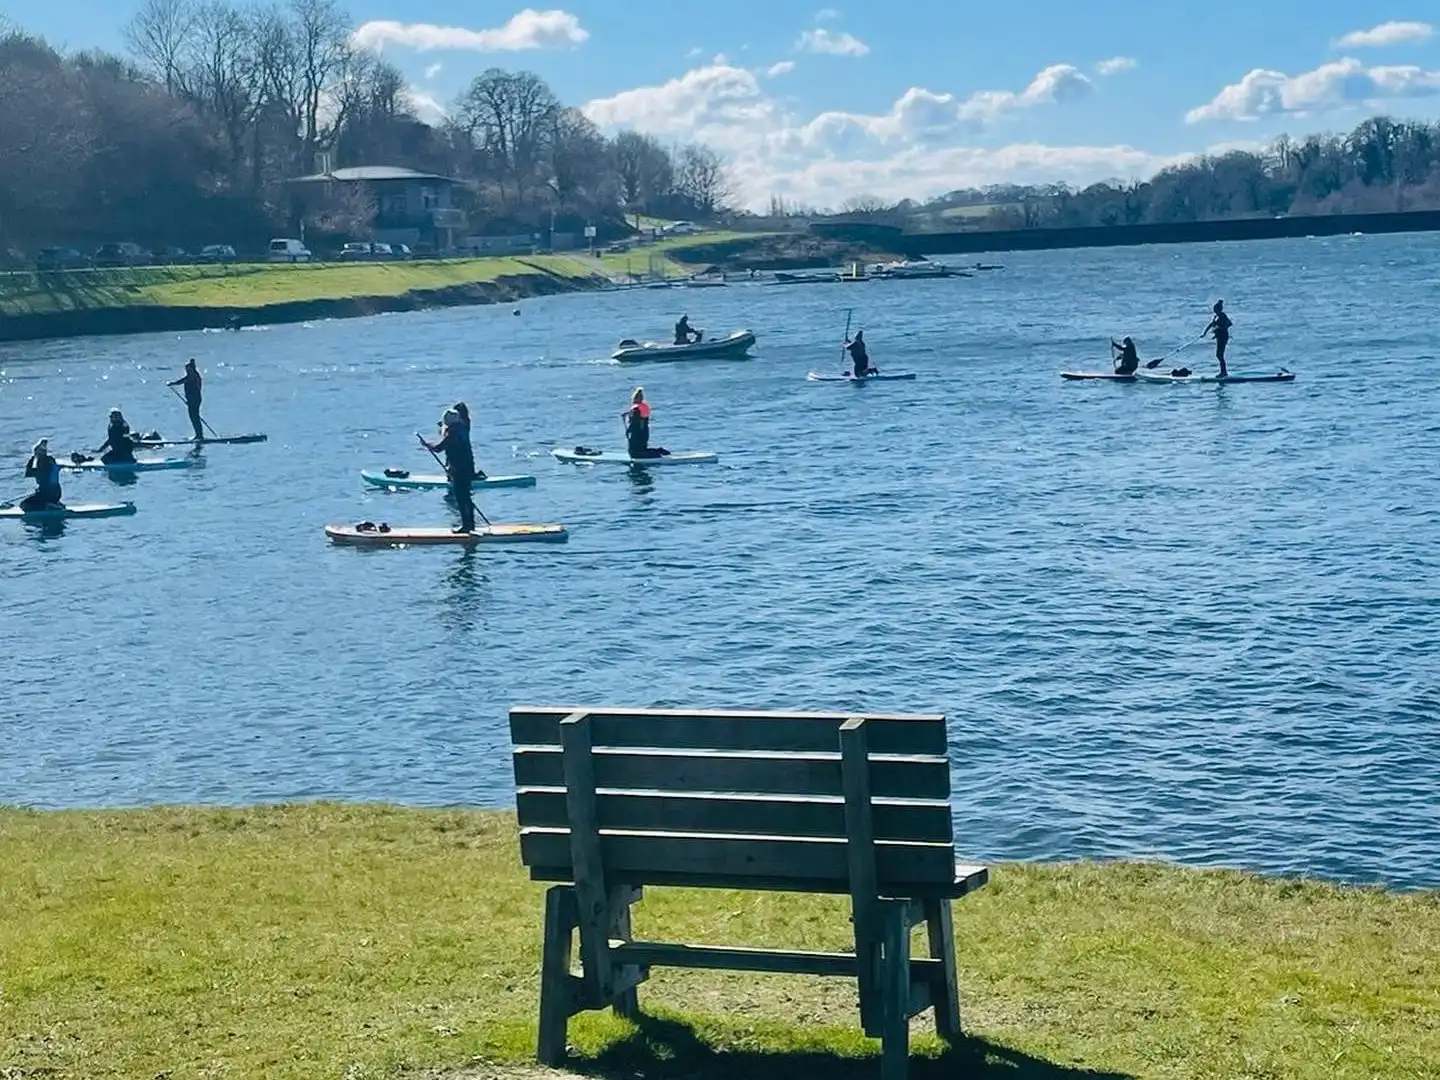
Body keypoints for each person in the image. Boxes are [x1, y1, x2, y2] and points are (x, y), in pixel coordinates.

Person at [420, 407, 477, 533]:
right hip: (467, 467)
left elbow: (439, 448)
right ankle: (470, 524)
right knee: (466, 497)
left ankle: (467, 526)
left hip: (459, 469)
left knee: (462, 498)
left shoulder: (453, 432)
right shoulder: (462, 428)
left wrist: (427, 445)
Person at [622, 387, 668, 459]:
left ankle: (656, 453)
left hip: (637, 433)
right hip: (645, 431)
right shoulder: (645, 406)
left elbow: (635, 422)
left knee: (634, 453)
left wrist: (628, 431)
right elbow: (641, 415)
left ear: (634, 399)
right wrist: (628, 413)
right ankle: (658, 451)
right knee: (642, 449)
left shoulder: (635, 408)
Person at [168, 358, 205, 441]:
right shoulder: (192, 375)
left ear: (191, 369)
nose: (186, 371)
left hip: (195, 399)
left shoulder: (193, 376)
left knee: (194, 417)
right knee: (194, 417)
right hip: (192, 399)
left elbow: (183, 381)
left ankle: (199, 435)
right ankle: (198, 434)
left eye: (188, 370)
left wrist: (173, 383)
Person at [21, 439, 63, 511]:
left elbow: (28, 473)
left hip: (47, 494)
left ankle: (48, 505)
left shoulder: (42, 463)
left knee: (24, 505)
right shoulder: (51, 460)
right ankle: (54, 503)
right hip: (57, 493)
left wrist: (33, 457)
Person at [1204, 300, 1233, 378]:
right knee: (1219, 355)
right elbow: (1211, 325)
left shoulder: (1223, 316)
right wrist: (1204, 333)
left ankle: (1224, 372)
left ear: (1218, 309)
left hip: (1223, 337)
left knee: (1219, 355)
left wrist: (1221, 328)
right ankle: (1223, 372)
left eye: (1215, 309)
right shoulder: (1216, 316)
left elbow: (1229, 324)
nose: (1214, 311)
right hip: (1219, 337)